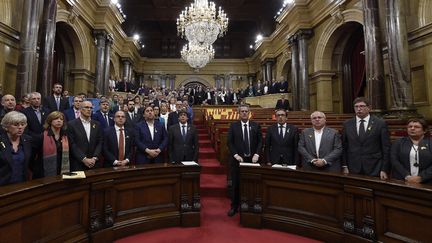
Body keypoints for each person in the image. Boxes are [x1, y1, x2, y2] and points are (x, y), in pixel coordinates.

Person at [227, 104, 262, 216]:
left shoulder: (256, 126)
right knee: (236, 183)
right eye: (242, 111)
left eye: (246, 111)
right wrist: (236, 155)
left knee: (252, 183)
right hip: (238, 160)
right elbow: (230, 142)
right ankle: (234, 206)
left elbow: (260, 141)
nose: (244, 113)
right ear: (239, 113)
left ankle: (251, 204)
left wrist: (257, 153)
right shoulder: (234, 126)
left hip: (253, 160)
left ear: (249, 112)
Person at [342, 97, 390, 179]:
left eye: (362, 106)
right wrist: (344, 165)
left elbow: (386, 147)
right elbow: (344, 146)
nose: (359, 109)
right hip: (353, 167)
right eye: (356, 107)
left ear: (369, 108)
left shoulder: (380, 123)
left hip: (374, 167)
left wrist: (384, 169)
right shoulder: (347, 124)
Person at [390, 118, 432, 183]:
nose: (412, 128)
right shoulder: (399, 142)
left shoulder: (430, 143)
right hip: (402, 180)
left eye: (416, 127)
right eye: (410, 126)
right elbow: (394, 160)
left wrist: (421, 177)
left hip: (426, 182)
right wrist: (406, 176)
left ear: (424, 130)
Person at [67, 101, 103, 171]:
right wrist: (83, 159)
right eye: (86, 107)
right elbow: (72, 144)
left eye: (91, 108)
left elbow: (100, 142)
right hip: (78, 163)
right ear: (80, 109)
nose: (89, 109)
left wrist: (94, 158)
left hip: (94, 163)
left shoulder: (97, 124)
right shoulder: (71, 124)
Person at [0, 111, 33, 186]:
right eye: (16, 125)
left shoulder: (27, 140)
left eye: (23, 124)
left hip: (22, 184)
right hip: (3, 185)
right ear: (6, 127)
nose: (20, 127)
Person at [35, 111, 70, 177]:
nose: (59, 121)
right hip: (43, 172)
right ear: (50, 121)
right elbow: (34, 157)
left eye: (61, 119)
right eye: (56, 119)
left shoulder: (65, 136)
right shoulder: (42, 137)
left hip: (62, 170)